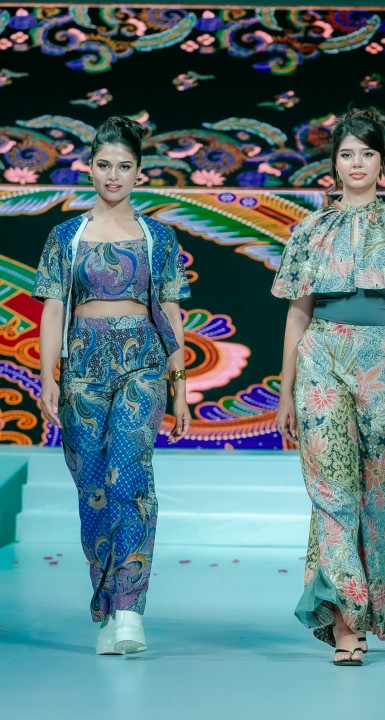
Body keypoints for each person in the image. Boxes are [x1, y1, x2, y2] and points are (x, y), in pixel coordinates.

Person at [272, 107, 385, 666]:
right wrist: (285, 390)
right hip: (321, 357)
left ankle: (359, 609)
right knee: (332, 492)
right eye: (346, 154)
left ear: (382, 162)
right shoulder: (311, 229)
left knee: (373, 500)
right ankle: (347, 623)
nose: (356, 163)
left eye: (367, 153)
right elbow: (297, 314)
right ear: (333, 163)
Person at [32, 116, 191, 655]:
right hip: (82, 368)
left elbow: (170, 312)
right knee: (93, 488)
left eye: (124, 166)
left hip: (142, 365)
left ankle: (129, 610)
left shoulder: (158, 237)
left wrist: (180, 385)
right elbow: (53, 310)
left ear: (139, 172)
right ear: (89, 168)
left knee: (130, 480)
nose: (114, 175)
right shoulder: (65, 236)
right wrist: (48, 376)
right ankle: (105, 603)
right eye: (104, 165)